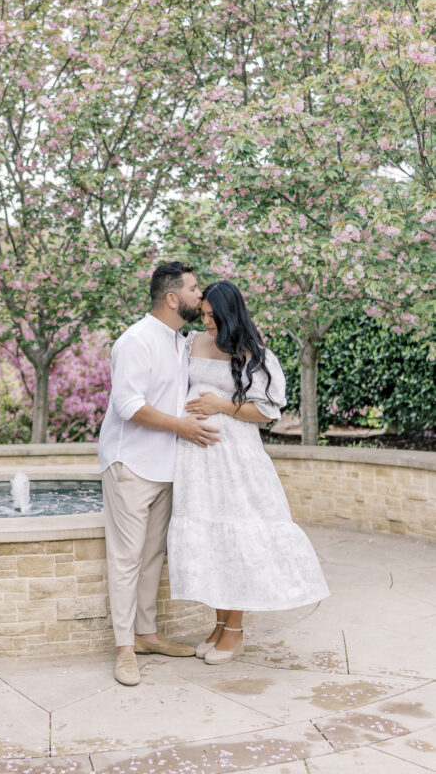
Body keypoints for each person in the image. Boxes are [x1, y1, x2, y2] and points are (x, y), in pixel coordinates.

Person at [167, 280, 329, 664]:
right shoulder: (190, 343)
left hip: (235, 460)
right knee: (212, 541)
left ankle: (235, 631)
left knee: (235, 535)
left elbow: (267, 412)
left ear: (230, 315)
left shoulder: (254, 354)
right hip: (197, 461)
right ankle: (220, 625)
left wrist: (222, 405)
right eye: (203, 314)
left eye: (213, 316)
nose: (206, 322)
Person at [98, 261, 221, 686]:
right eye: (193, 289)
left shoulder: (180, 340)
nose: (198, 295)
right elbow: (127, 406)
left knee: (152, 557)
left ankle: (147, 634)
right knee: (126, 558)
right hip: (130, 463)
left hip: (168, 466)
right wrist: (181, 426)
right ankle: (124, 650)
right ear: (172, 299)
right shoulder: (135, 341)